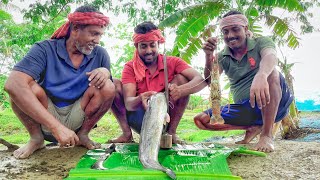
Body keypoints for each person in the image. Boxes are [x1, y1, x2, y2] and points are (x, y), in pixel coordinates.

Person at [4, 5, 114, 159]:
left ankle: (83, 135)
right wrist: (55, 127)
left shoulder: (100, 54)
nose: (97, 40)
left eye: (100, 35)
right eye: (94, 34)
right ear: (75, 28)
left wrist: (105, 71)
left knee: (108, 85)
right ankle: (36, 138)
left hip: (78, 113)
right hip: (45, 115)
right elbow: (12, 84)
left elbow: (107, 91)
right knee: (22, 86)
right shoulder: (44, 49)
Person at [194, 10, 293, 152]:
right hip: (246, 109)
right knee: (201, 120)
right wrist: (208, 56)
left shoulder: (260, 42)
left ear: (245, 29)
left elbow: (270, 56)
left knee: (273, 73)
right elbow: (210, 81)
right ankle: (253, 127)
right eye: (225, 32)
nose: (230, 36)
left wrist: (261, 75)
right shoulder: (222, 56)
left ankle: (266, 134)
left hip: (274, 105)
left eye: (235, 29)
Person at [109, 21, 207, 144]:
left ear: (158, 44)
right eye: (143, 46)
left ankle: (171, 133)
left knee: (182, 80)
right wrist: (140, 98)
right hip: (139, 119)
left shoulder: (172, 62)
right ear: (137, 47)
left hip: (165, 118)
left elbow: (200, 80)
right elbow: (129, 104)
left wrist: (181, 90)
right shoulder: (130, 67)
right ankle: (127, 134)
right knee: (113, 84)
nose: (149, 50)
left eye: (152, 45)